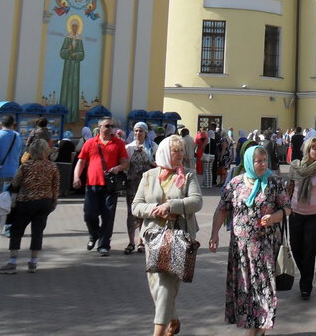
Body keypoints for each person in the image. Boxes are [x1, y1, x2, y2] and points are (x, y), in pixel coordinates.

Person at [209, 145, 290, 335]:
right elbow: (222, 210)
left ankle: (259, 326)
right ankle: (253, 324)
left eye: (264, 161)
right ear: (248, 163)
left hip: (265, 246)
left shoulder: (274, 182)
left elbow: (287, 208)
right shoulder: (235, 183)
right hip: (241, 248)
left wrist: (274, 217)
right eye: (258, 161)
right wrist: (214, 234)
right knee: (246, 287)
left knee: (263, 286)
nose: (262, 164)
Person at [133, 135, 203, 336]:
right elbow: (136, 206)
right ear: (165, 152)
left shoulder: (188, 175)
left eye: (182, 150)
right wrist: (155, 208)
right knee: (155, 286)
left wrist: (172, 206)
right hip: (153, 237)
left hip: (178, 237)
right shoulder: (149, 176)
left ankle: (158, 333)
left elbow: (196, 201)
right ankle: (172, 319)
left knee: (165, 286)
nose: (180, 154)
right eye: (175, 151)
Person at [0, 138, 59, 273]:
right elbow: (55, 186)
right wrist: (54, 202)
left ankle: (12, 262)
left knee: (17, 231)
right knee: (37, 232)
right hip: (45, 202)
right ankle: (33, 262)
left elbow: (15, 183)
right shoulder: (52, 166)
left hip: (26, 201)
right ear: (46, 151)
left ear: (31, 151)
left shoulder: (26, 166)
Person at [72, 116, 128, 255]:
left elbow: (126, 163)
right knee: (89, 214)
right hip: (92, 185)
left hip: (110, 187)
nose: (111, 129)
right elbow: (81, 162)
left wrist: (117, 168)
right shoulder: (90, 143)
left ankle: (104, 245)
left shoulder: (118, 143)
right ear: (100, 128)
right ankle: (94, 234)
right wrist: (76, 177)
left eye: (112, 126)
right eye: (107, 126)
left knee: (108, 217)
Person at [287, 137, 316, 299]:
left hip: (314, 215)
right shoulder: (295, 167)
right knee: (295, 247)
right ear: (307, 150)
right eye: (315, 149)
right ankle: (305, 272)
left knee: (309, 249)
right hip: (295, 213)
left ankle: (306, 286)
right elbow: (290, 188)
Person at [124, 122, 156, 254]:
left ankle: (141, 241)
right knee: (131, 213)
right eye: (136, 131)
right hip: (132, 184)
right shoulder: (129, 147)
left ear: (146, 133)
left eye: (140, 131)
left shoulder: (152, 147)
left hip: (147, 185)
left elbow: (158, 163)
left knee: (144, 213)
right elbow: (125, 165)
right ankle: (131, 241)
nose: (138, 133)